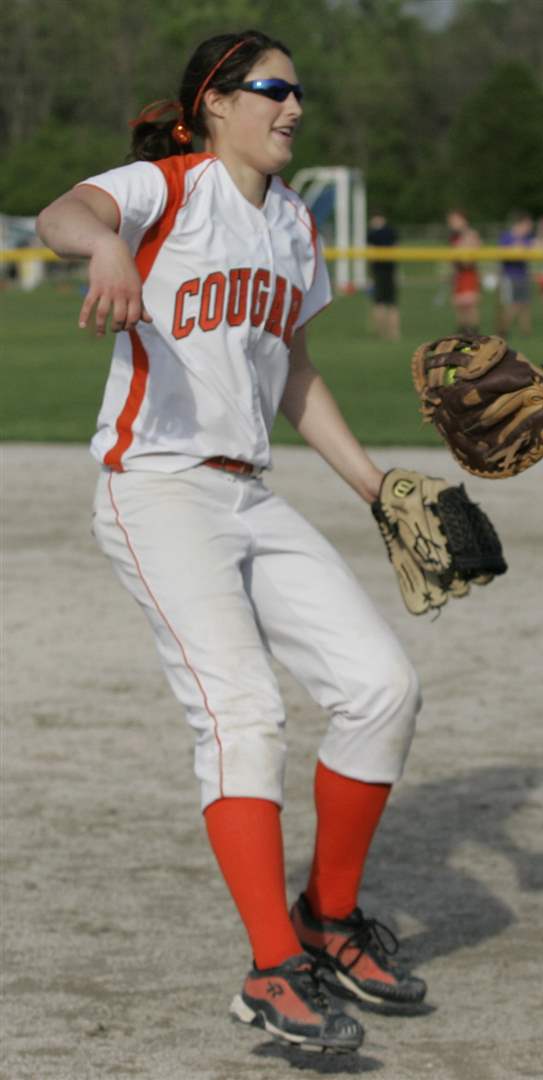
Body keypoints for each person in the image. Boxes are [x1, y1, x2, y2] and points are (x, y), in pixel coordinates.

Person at [35, 29, 429, 1055]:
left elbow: (290, 372)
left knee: (382, 685)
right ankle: (270, 971)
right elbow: (59, 214)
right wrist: (107, 242)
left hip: (250, 495)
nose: (293, 107)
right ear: (215, 102)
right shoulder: (169, 187)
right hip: (156, 489)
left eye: (299, 93)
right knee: (243, 710)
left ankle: (328, 920)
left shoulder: (295, 222)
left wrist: (377, 488)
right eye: (272, 90)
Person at [495, 210, 535, 338]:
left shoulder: (527, 238)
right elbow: (502, 253)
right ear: (521, 224)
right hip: (509, 276)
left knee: (525, 305)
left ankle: (526, 333)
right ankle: (502, 330)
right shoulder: (507, 236)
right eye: (528, 225)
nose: (529, 228)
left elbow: (535, 247)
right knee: (513, 305)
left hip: (523, 275)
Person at [446, 208, 482, 335]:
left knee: (470, 306)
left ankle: (474, 334)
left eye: (454, 220)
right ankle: (463, 334)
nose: (452, 223)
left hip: (469, 274)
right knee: (459, 306)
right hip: (458, 274)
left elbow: (470, 259)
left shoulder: (471, 234)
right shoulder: (453, 237)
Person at [367, 211, 400, 341]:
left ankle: (384, 333)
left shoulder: (372, 233)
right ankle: (391, 333)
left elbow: (369, 253)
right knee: (389, 304)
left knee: (382, 303)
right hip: (385, 271)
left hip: (382, 272)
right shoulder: (390, 231)